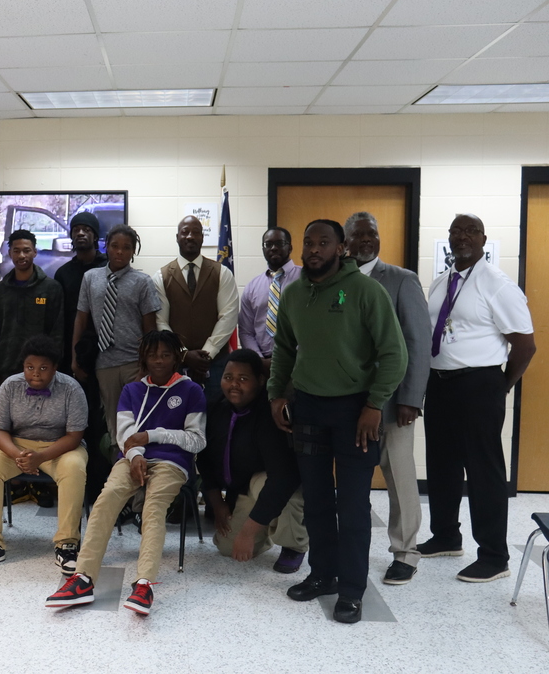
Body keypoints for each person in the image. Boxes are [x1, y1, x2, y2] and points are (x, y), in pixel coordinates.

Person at [268, 219, 406, 624]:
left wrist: (375, 404)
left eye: (323, 243)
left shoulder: (366, 291)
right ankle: (322, 575)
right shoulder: (294, 294)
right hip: (308, 408)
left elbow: (395, 354)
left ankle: (351, 589)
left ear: (341, 248)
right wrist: (277, 394)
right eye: (308, 242)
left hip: (355, 413)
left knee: (352, 504)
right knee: (316, 500)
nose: (313, 249)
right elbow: (283, 349)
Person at [46, 330, 206, 616]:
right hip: (131, 460)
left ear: (176, 358)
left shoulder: (191, 390)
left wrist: (152, 436)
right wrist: (134, 455)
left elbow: (197, 440)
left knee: (153, 508)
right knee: (106, 499)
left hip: (173, 462)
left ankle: (144, 583)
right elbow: (124, 435)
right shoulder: (132, 390)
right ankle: (83, 578)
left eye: (166, 355)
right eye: (153, 354)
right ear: (143, 356)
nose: (159, 360)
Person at [421, 213, 536, 583]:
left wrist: (500, 384)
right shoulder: (441, 282)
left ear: (484, 239)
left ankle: (493, 556)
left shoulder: (497, 284)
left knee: (483, 470)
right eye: (455, 230)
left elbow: (525, 345)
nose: (462, 236)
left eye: (470, 231)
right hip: (440, 383)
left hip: (479, 385)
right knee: (441, 463)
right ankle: (445, 536)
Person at [344, 211, 430, 585]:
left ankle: (406, 551)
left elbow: (418, 342)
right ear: (345, 241)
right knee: (352, 481)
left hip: (394, 404)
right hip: (348, 402)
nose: (366, 240)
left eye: (372, 234)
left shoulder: (401, 280)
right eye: (358, 234)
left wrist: (411, 396)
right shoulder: (339, 281)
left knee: (398, 475)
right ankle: (351, 547)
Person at [0, 335, 87, 573]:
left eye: (43, 368)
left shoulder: (71, 389)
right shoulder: (10, 386)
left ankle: (66, 544)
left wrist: (41, 457)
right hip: (17, 445)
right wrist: (18, 455)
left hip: (60, 446)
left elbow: (74, 435)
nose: (35, 373)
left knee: (74, 468)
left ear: (55, 368)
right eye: (29, 367)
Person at [199, 349, 307, 572]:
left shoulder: (269, 414)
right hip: (239, 491)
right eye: (228, 377)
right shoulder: (215, 408)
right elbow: (205, 459)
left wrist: (248, 532)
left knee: (283, 493)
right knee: (227, 547)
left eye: (243, 378)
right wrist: (216, 502)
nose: (234, 385)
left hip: (270, 482)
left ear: (260, 381)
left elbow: (283, 478)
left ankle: (293, 545)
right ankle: (265, 526)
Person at [74, 224, 159, 458]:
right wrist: (74, 357)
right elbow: (81, 319)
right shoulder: (90, 278)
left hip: (134, 361)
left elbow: (151, 329)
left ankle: (140, 476)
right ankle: (118, 471)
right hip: (105, 363)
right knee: (113, 424)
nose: (120, 252)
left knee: (138, 419)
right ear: (106, 246)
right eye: (115, 246)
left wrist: (146, 366)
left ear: (134, 251)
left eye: (126, 248)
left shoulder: (142, 282)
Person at [54, 211, 110, 501]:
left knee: (104, 426)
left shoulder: (109, 267)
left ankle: (104, 487)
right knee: (76, 423)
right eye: (76, 229)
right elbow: (65, 320)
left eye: (87, 229)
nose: (80, 234)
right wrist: (69, 361)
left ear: (96, 235)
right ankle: (77, 485)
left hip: (109, 359)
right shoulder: (64, 273)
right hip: (73, 362)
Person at [152, 215, 238, 402]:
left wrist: (206, 355)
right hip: (175, 365)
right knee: (177, 420)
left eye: (196, 232)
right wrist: (183, 354)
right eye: (185, 232)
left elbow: (228, 316)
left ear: (202, 238)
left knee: (215, 420)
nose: (190, 236)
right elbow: (160, 321)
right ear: (177, 237)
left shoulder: (222, 273)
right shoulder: (161, 276)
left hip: (215, 365)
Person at [0, 229, 64, 383]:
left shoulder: (51, 288)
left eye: (26, 250)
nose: (22, 255)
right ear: (10, 253)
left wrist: (53, 367)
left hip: (40, 371)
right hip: (5, 369)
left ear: (35, 252)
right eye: (17, 251)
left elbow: (57, 333)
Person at [239, 227, 301, 371]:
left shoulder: (306, 279)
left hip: (298, 361)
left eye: (279, 243)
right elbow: (245, 331)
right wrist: (259, 360)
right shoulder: (252, 286)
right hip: (262, 364)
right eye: (268, 244)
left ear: (290, 247)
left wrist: (293, 356)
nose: (273, 248)